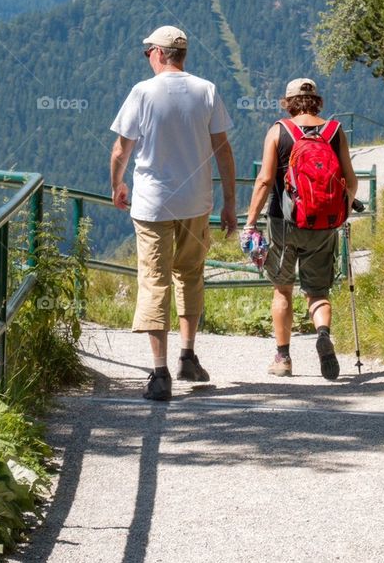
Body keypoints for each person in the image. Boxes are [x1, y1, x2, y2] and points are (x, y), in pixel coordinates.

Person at [110, 25, 237, 401]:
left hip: (152, 204)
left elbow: (121, 149)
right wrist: (230, 202)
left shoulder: (142, 92)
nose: (147, 56)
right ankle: (188, 356)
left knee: (154, 281)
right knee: (190, 276)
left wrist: (117, 184)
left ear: (160, 54)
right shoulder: (206, 90)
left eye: (148, 50)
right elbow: (224, 151)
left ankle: (160, 372)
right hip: (196, 202)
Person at [243, 78, 358, 381]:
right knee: (318, 292)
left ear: (289, 102)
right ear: (317, 101)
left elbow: (266, 180)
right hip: (325, 224)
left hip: (284, 223)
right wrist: (341, 212)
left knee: (283, 289)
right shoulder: (334, 131)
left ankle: (283, 358)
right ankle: (322, 332)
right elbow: (351, 180)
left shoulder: (279, 131)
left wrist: (251, 221)